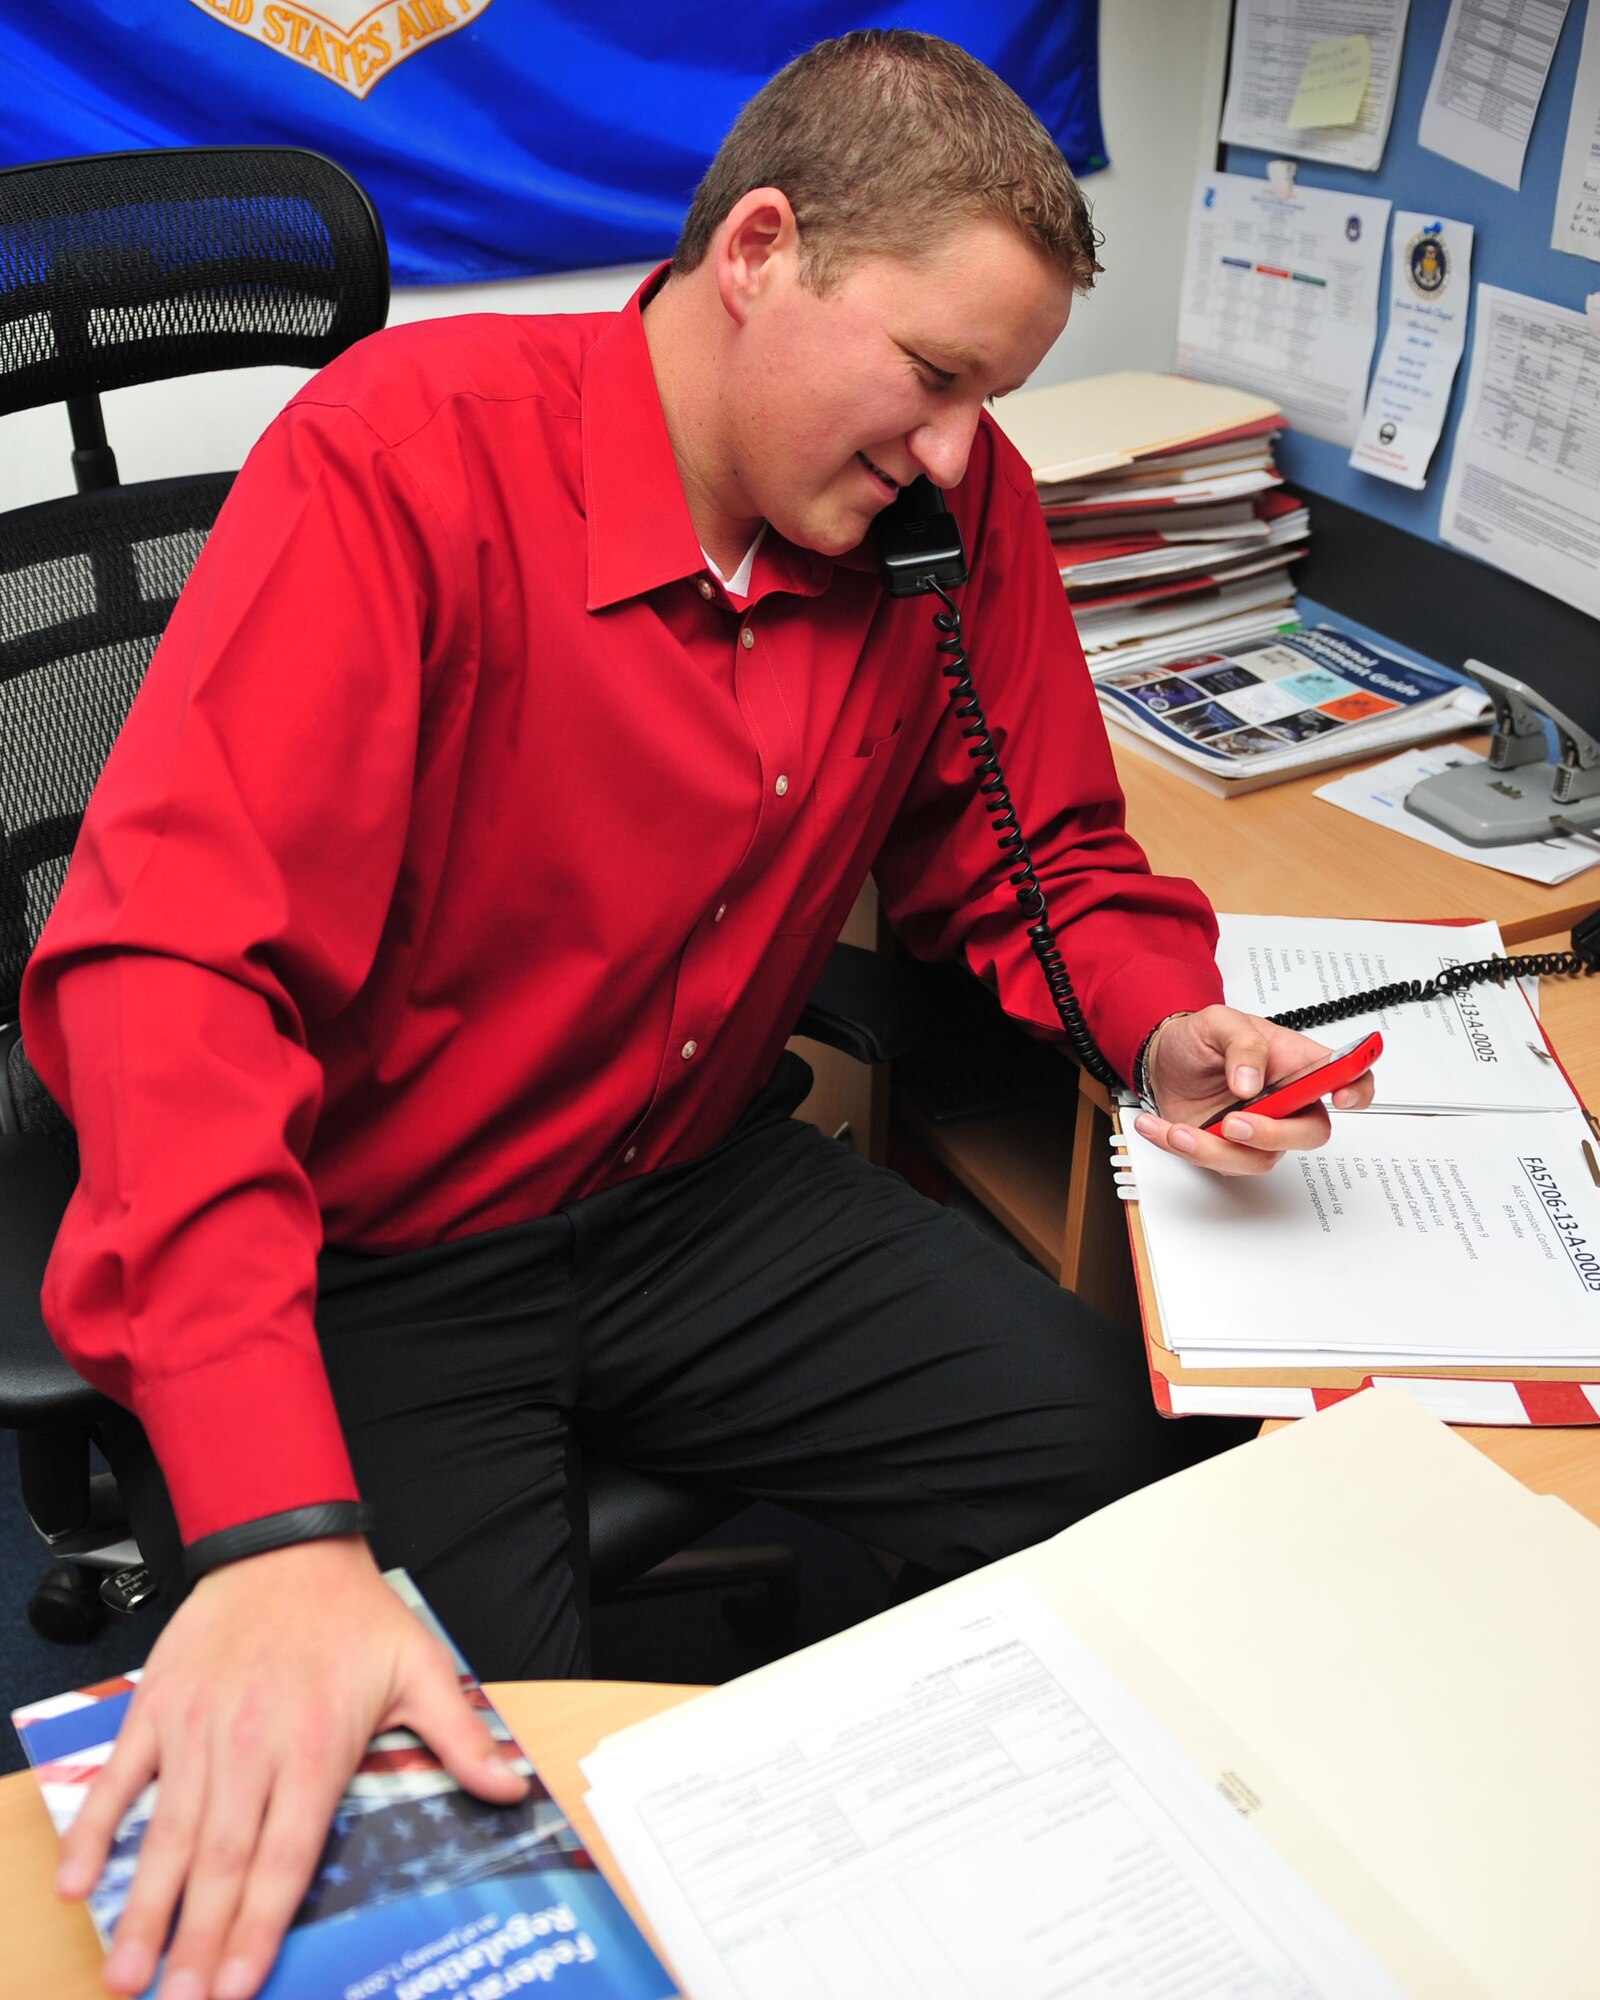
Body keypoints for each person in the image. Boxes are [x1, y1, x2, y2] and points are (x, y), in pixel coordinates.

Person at [21, 29, 1373, 2000]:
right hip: (384, 1244)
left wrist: (1160, 1020)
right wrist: (279, 1526)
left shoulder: (941, 507)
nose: (953, 453)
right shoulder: (406, 461)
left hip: (692, 1190)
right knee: (452, 1806)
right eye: (928, 377)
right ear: (757, 248)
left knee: (1123, 1476)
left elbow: (1037, 851)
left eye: (989, 398)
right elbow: (166, 976)